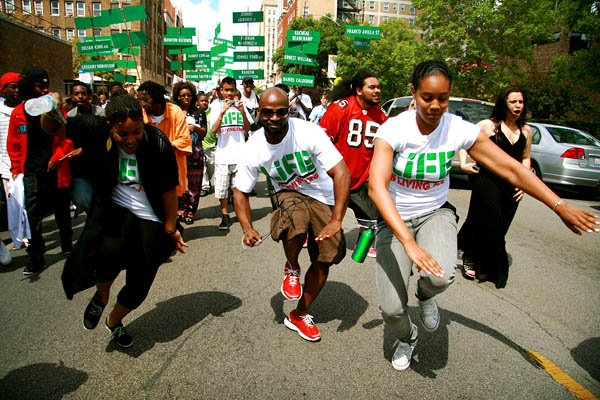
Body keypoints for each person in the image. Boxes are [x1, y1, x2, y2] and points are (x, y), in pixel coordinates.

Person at [368, 60, 598, 371]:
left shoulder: (458, 128)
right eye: (427, 98)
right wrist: (408, 242)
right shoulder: (394, 128)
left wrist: (559, 205)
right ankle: (407, 337)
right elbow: (377, 189)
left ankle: (424, 296)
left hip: (435, 214)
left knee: (440, 277)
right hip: (394, 221)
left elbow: (511, 168)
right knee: (392, 310)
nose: (435, 106)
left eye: (443, 98)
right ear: (413, 93)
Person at [40, 94, 187, 348]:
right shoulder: (94, 128)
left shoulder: (157, 143)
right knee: (107, 261)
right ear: (110, 127)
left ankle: (114, 320)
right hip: (113, 213)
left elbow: (168, 190)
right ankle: (101, 296)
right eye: (123, 134)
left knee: (140, 283)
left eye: (136, 132)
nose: (131, 140)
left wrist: (171, 227)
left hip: (150, 218)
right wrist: (49, 109)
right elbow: (52, 127)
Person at [234, 87, 350, 342]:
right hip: (289, 194)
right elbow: (240, 191)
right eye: (267, 113)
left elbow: (341, 172)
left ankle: (299, 314)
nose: (274, 118)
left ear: (289, 111)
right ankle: (292, 267)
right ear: (258, 113)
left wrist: (336, 221)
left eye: (280, 112)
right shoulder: (254, 147)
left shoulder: (308, 132)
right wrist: (247, 228)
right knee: (296, 217)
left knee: (326, 258)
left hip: (323, 196)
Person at [457, 87, 532, 287]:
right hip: (486, 179)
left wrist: (525, 183)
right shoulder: (488, 126)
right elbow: (466, 143)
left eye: (520, 102)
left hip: (511, 184)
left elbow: (525, 158)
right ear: (503, 103)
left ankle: (482, 260)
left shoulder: (526, 131)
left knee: (500, 226)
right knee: (487, 219)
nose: (518, 106)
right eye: (513, 101)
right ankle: (471, 256)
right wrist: (464, 163)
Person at [7, 66, 73, 274]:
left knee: (61, 209)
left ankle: (67, 244)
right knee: (33, 215)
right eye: (39, 86)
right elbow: (14, 144)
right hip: (32, 173)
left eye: (46, 86)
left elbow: (67, 138)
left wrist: (56, 159)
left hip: (57, 169)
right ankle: (36, 257)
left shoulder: (53, 109)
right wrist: (16, 169)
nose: (44, 90)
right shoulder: (18, 113)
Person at [319, 71, 387, 258]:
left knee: (371, 222)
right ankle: (316, 239)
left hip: (364, 176)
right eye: (372, 87)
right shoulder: (340, 108)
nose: (377, 91)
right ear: (358, 90)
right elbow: (322, 141)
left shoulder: (380, 114)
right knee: (320, 215)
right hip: (336, 176)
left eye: (378, 87)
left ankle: (361, 249)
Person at [138, 81, 192, 202]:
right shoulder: (140, 115)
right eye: (140, 99)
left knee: (171, 211)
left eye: (145, 99)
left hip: (172, 171)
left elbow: (184, 140)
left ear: (156, 98)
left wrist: (161, 147)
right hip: (149, 173)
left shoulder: (175, 112)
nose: (142, 103)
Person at [210, 76, 252, 230]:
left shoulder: (241, 105)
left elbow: (248, 129)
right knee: (222, 189)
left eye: (231, 90)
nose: (228, 93)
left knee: (239, 188)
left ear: (236, 91)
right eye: (226, 90)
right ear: (221, 91)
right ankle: (225, 214)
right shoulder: (215, 106)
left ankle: (242, 215)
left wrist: (242, 112)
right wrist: (222, 113)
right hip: (223, 155)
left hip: (240, 155)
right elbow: (214, 130)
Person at [66, 81, 105, 216]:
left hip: (100, 165)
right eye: (76, 94)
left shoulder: (101, 114)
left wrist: (85, 149)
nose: (80, 96)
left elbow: (106, 139)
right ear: (72, 96)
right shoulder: (69, 117)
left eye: (83, 93)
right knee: (83, 198)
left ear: (89, 96)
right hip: (79, 168)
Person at [172, 81, 206, 224]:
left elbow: (204, 133)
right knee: (178, 182)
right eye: (183, 95)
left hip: (195, 152)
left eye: (189, 95)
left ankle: (190, 211)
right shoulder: (173, 111)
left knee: (194, 183)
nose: (186, 97)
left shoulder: (199, 112)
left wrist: (194, 128)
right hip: (178, 152)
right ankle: (178, 210)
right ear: (177, 97)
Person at [0, 72, 21, 264]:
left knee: (21, 205)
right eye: (12, 87)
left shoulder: (27, 109)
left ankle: (24, 236)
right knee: (8, 205)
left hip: (23, 165)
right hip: (4, 166)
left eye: (18, 86)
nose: (16, 91)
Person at [199, 92, 216, 197]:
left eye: (206, 100)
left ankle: (207, 181)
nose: (204, 103)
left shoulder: (213, 112)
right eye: (202, 101)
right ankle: (204, 186)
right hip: (200, 146)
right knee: (202, 167)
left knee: (211, 167)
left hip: (212, 145)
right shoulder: (196, 114)